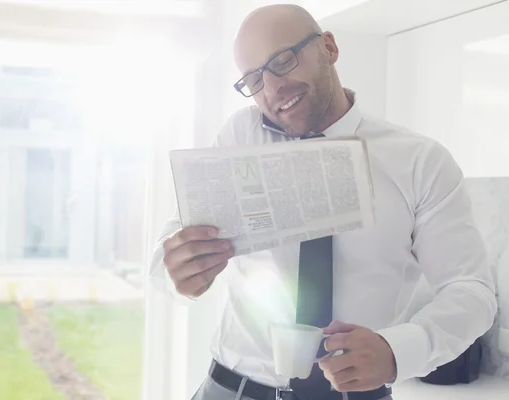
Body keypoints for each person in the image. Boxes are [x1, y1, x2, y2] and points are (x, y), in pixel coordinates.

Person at [148, 4, 497, 400]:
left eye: (283, 61)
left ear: (328, 48)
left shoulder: (419, 162)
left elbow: (472, 290)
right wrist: (178, 269)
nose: (272, 88)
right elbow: (170, 247)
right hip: (230, 389)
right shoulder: (241, 136)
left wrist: (397, 351)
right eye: (253, 80)